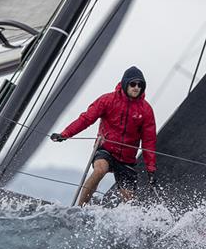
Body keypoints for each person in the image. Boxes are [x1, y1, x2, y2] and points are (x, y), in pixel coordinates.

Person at [51, 66, 157, 206]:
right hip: (105, 150)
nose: (136, 87)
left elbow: (149, 141)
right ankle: (79, 208)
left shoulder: (146, 110)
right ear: (125, 84)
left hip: (127, 159)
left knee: (129, 199)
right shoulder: (107, 100)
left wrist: (151, 168)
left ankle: (129, 225)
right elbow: (86, 119)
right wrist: (65, 134)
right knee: (100, 169)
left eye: (140, 85)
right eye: (133, 84)